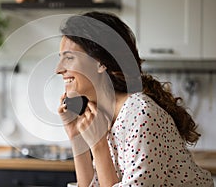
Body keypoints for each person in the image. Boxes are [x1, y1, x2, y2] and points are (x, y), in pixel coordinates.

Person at [56, 11, 214, 186]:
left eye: (69, 58)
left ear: (101, 63)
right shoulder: (104, 115)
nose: (58, 69)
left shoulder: (141, 115)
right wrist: (76, 137)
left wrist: (99, 146)